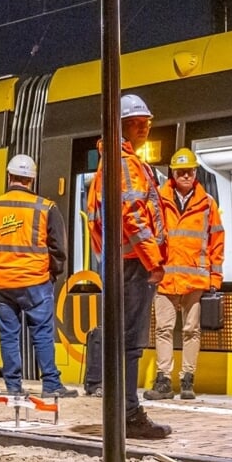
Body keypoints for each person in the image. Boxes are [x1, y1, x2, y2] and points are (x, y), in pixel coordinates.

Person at [82, 93, 171, 438]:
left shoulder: (113, 162)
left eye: (146, 122)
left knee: (124, 340)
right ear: (126, 125)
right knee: (130, 342)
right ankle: (129, 413)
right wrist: (154, 261)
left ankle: (124, 410)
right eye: (140, 122)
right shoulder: (126, 163)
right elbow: (133, 216)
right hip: (133, 262)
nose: (145, 127)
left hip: (121, 260)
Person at [0, 153, 77, 398]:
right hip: (35, 281)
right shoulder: (45, 207)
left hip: (1, 283)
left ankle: (13, 387)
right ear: (32, 179)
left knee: (9, 336)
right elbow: (59, 249)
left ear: (9, 176)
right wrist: (52, 273)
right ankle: (51, 385)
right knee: (42, 333)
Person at [145, 148, 223, 401]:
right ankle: (164, 380)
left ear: (196, 173)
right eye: (181, 171)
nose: (186, 175)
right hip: (165, 278)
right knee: (163, 330)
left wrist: (215, 278)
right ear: (173, 173)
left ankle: (188, 380)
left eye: (190, 171)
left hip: (195, 280)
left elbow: (217, 242)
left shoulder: (208, 203)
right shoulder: (158, 199)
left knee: (191, 330)